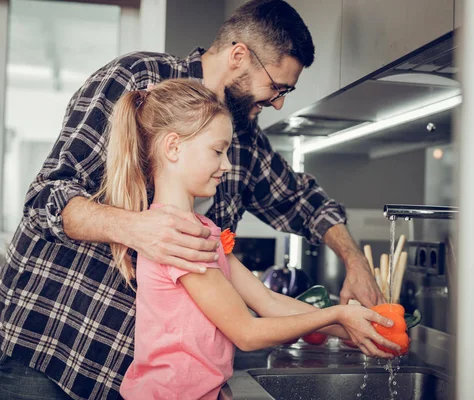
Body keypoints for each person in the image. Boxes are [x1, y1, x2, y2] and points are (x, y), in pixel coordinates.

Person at [0, 0, 383, 398]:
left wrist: (354, 267)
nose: (279, 103)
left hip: (139, 376)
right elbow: (45, 198)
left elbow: (301, 202)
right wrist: (137, 229)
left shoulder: (242, 139)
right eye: (277, 87)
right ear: (239, 56)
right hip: (55, 346)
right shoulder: (135, 78)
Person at [99, 78, 399, 399]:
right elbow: (246, 333)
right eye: (218, 151)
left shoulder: (201, 229)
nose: (227, 165)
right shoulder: (177, 237)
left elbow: (268, 302)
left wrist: (349, 328)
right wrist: (337, 314)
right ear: (173, 147)